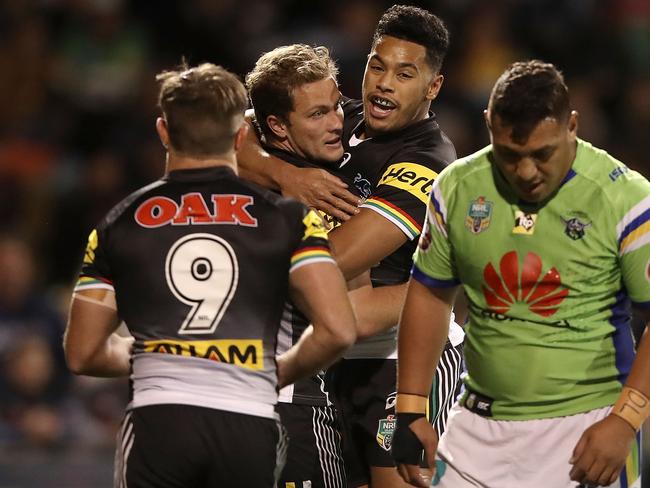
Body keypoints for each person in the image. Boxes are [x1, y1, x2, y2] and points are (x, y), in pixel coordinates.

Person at [63, 62, 357, 488]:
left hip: (158, 422)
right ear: (241, 136)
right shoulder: (287, 219)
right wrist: (276, 370)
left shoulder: (119, 223)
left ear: (163, 131)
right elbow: (338, 330)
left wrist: (160, 354)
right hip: (249, 420)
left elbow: (82, 353)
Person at [392, 59, 649, 488]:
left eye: (541, 154)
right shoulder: (457, 187)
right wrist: (410, 406)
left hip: (586, 432)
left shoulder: (626, 198)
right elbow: (429, 293)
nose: (527, 172)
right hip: (475, 428)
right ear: (489, 123)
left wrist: (626, 420)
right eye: (511, 155)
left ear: (572, 125)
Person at [239, 6, 465, 488]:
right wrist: (289, 176)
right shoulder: (338, 118)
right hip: (333, 362)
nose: (384, 83)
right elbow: (226, 135)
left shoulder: (427, 158)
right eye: (377, 66)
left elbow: (337, 260)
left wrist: (433, 296)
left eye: (405, 74)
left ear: (432, 87)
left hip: (401, 361)